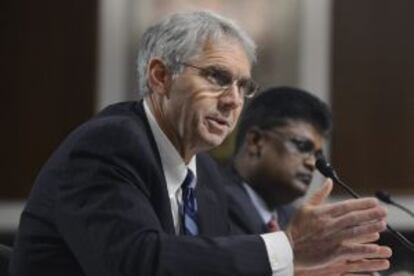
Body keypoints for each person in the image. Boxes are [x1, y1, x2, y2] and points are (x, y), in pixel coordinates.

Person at [10, 11, 391, 276]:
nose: (233, 101)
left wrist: (295, 272)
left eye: (244, 86)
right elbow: (138, 264)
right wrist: (287, 246)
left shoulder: (205, 174)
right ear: (160, 77)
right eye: (216, 77)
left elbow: (209, 266)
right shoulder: (109, 144)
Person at [225, 86, 389, 275]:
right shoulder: (210, 198)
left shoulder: (292, 217)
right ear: (256, 141)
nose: (312, 163)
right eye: (302, 146)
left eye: (317, 155)